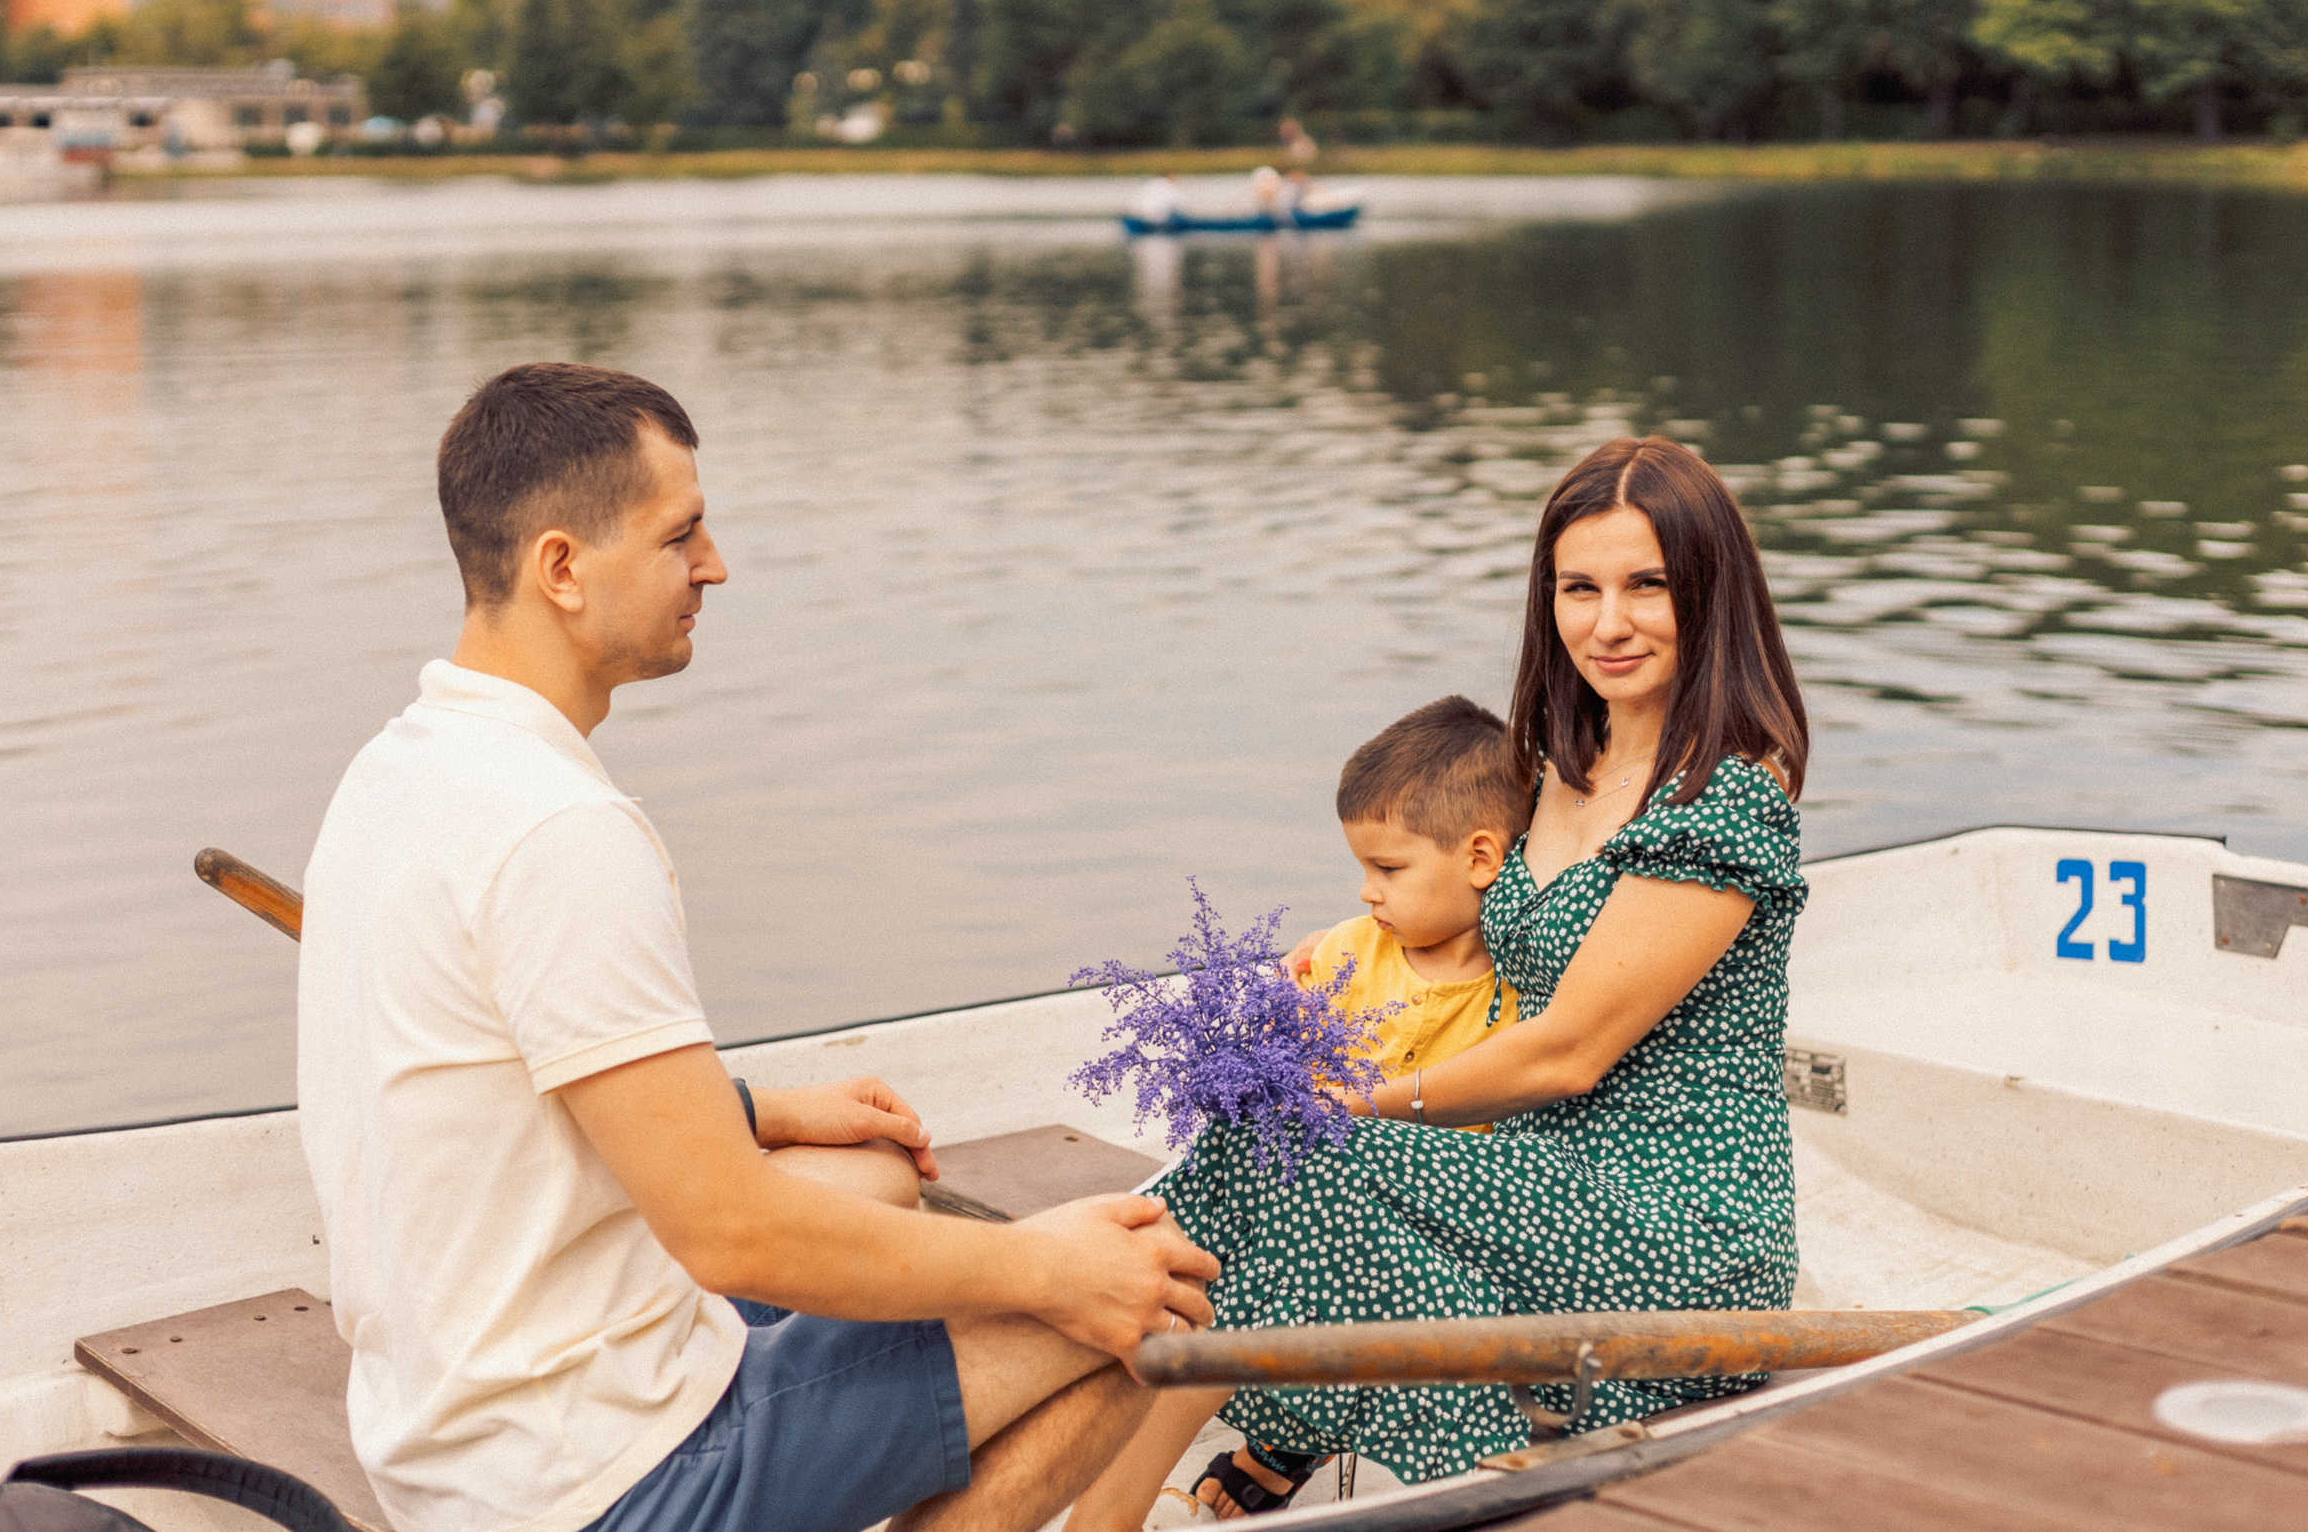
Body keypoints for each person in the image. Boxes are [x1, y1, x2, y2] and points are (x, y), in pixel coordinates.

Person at [297, 362, 1220, 1532]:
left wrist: (771, 1111)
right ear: (562, 569)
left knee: (871, 1180)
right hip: (593, 1484)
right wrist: (1051, 1268)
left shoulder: (404, 770)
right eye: (681, 535)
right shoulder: (558, 831)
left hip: (450, 1438)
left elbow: (508, 1088)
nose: (714, 565)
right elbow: (731, 1233)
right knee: (1153, 1297)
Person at [1110, 435, 1811, 1501]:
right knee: (1258, 1149)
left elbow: (1568, 1052)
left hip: (1679, 1217)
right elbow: (1461, 906)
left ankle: (1127, 1504)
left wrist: (1370, 1100)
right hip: (1534, 1177)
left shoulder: (1726, 798)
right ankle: (1075, 1406)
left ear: (1709, 597)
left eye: (1647, 586)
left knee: (1315, 1155)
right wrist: (1350, 956)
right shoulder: (1552, 770)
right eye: (1579, 587)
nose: (1607, 622)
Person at [1066, 696, 1533, 1527]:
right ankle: (1238, 1419)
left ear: (1482, 856)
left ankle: (1239, 1451)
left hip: (1419, 1228)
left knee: (1285, 1260)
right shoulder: (1347, 954)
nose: (1367, 889)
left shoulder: (1519, 990)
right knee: (1215, 1218)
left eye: (1389, 869)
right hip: (1322, 1199)